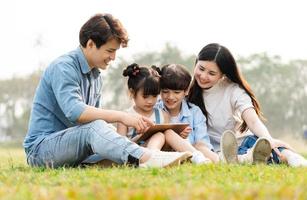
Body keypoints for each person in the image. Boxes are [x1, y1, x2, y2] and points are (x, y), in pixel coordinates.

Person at [23, 13, 192, 169]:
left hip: (75, 148)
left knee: (107, 135)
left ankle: (155, 155)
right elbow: (76, 112)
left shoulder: (96, 76)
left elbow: (94, 121)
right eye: (110, 51)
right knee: (96, 127)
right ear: (90, 44)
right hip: (41, 151)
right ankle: (148, 158)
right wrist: (123, 116)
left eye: (115, 51)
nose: (113, 57)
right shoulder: (64, 67)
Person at [188, 43, 307, 167]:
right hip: (217, 152)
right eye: (201, 68)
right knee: (243, 157)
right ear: (196, 62)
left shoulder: (233, 90)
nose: (203, 76)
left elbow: (253, 121)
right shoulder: (185, 91)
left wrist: (269, 139)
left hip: (243, 142)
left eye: (211, 73)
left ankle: (294, 158)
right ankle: (249, 159)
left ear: (222, 74)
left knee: (274, 149)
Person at [118, 63, 211, 164]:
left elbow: (167, 142)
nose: (150, 101)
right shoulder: (125, 117)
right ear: (132, 93)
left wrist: (180, 136)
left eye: (154, 96)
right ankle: (152, 158)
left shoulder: (162, 114)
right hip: (137, 152)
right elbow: (119, 146)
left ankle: (197, 156)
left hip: (160, 151)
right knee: (159, 135)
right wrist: (141, 136)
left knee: (166, 133)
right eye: (145, 97)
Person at [156, 64, 219, 163]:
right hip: (166, 153)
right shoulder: (155, 110)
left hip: (194, 152)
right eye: (165, 91)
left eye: (176, 92)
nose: (170, 97)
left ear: (186, 91)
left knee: (201, 146)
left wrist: (187, 142)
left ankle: (222, 160)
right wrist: (178, 138)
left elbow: (202, 141)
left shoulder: (194, 112)